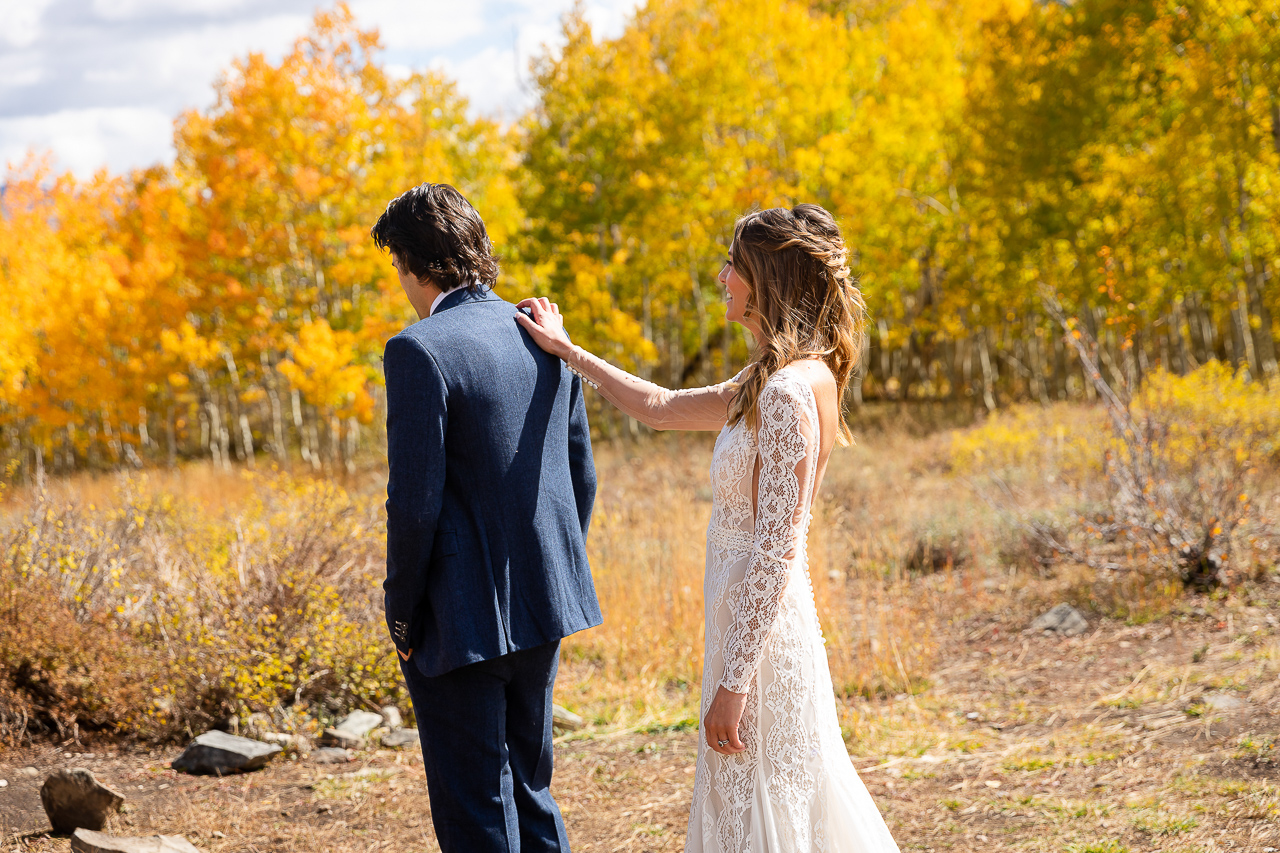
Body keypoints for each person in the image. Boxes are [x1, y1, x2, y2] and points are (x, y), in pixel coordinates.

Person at [516, 205, 900, 852]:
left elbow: (776, 552)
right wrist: (567, 350)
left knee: (765, 817)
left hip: (761, 648)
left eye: (734, 264)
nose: (722, 275)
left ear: (766, 278)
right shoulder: (775, 379)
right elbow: (660, 408)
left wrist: (736, 680)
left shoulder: (785, 393)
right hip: (742, 633)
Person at [373, 182, 600, 853]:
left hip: (458, 621)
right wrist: (550, 569)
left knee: (475, 811)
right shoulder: (542, 333)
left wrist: (403, 613)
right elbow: (581, 470)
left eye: (398, 268)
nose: (402, 285)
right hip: (544, 600)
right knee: (531, 790)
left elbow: (413, 503)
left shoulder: (419, 349)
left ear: (414, 264)